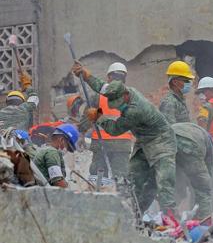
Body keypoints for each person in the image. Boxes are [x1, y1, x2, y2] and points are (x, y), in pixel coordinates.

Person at [71, 62, 178, 214]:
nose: (117, 108)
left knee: (156, 181)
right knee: (128, 177)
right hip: (130, 143)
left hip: (156, 143)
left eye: (119, 105)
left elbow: (115, 129)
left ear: (126, 96)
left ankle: (143, 212)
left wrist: (97, 118)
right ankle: (129, 210)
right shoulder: (122, 90)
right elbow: (103, 87)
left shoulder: (134, 110)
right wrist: (87, 76)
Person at [78, 62, 134, 178]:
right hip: (122, 144)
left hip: (101, 142)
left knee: (98, 178)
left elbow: (88, 117)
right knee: (121, 178)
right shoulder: (131, 96)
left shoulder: (99, 96)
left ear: (109, 77)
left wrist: (81, 134)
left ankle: (100, 195)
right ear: (125, 78)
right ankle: (123, 195)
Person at [172, 122, 213, 219]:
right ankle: (203, 220)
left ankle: (170, 216)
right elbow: (206, 173)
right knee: (203, 189)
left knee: (175, 185)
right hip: (190, 142)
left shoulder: (193, 129)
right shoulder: (208, 141)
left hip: (170, 137)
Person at [33, 123, 79, 188]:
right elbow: (58, 182)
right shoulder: (52, 153)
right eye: (67, 146)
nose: (65, 150)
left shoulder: (46, 149)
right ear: (61, 140)